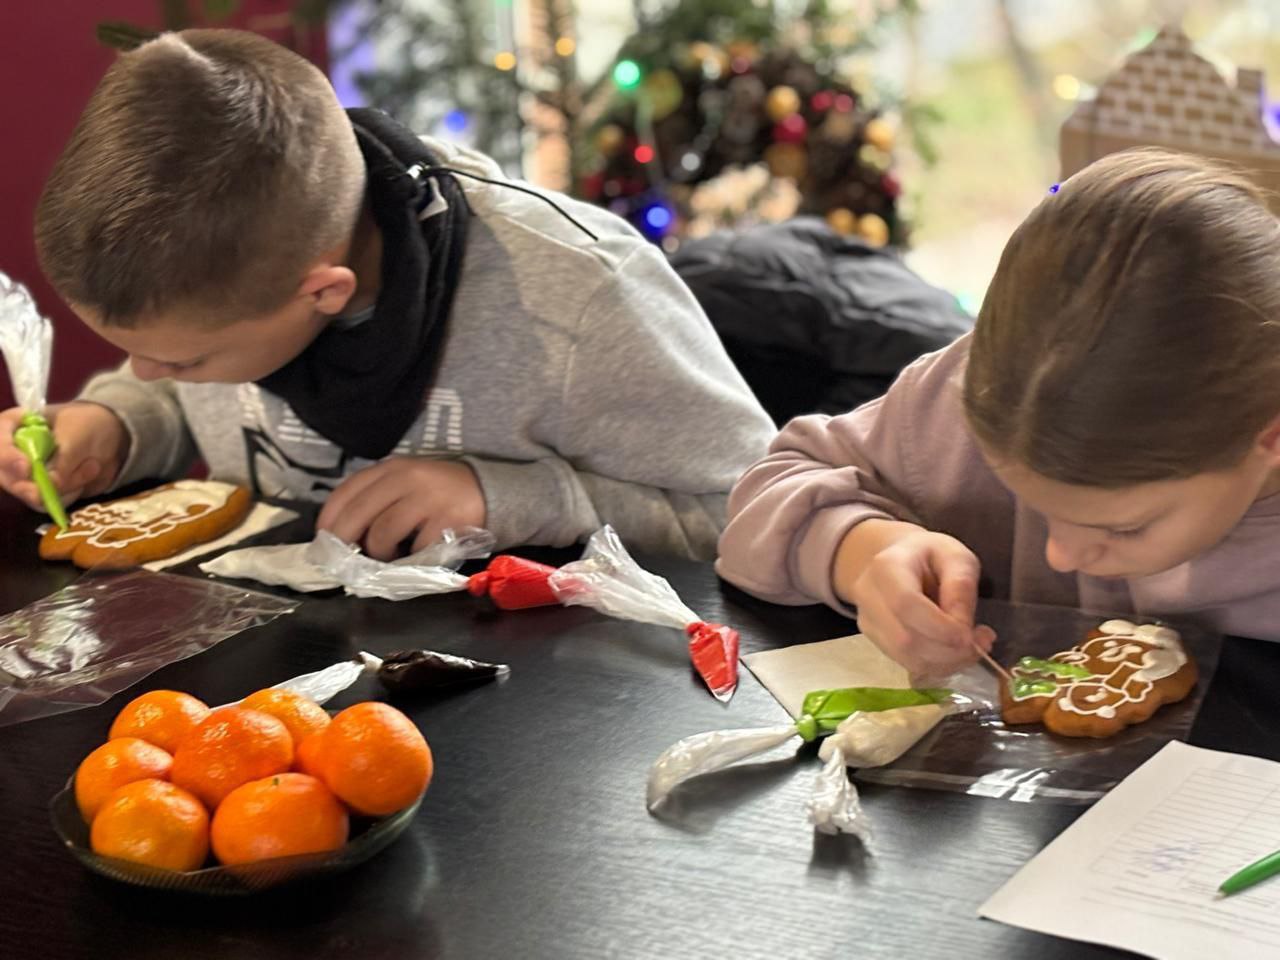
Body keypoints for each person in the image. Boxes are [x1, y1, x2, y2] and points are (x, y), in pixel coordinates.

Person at [0, 29, 775, 562]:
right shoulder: (237, 284)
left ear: (325, 293)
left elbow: (758, 512)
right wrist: (118, 423)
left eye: (179, 359)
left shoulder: (580, 299)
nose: (144, 369)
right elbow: (179, 394)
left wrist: (511, 497)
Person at [717, 147, 1280, 677]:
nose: (1062, 555)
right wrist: (864, 552)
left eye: (1124, 526)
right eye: (1031, 502)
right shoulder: (971, 400)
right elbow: (766, 492)